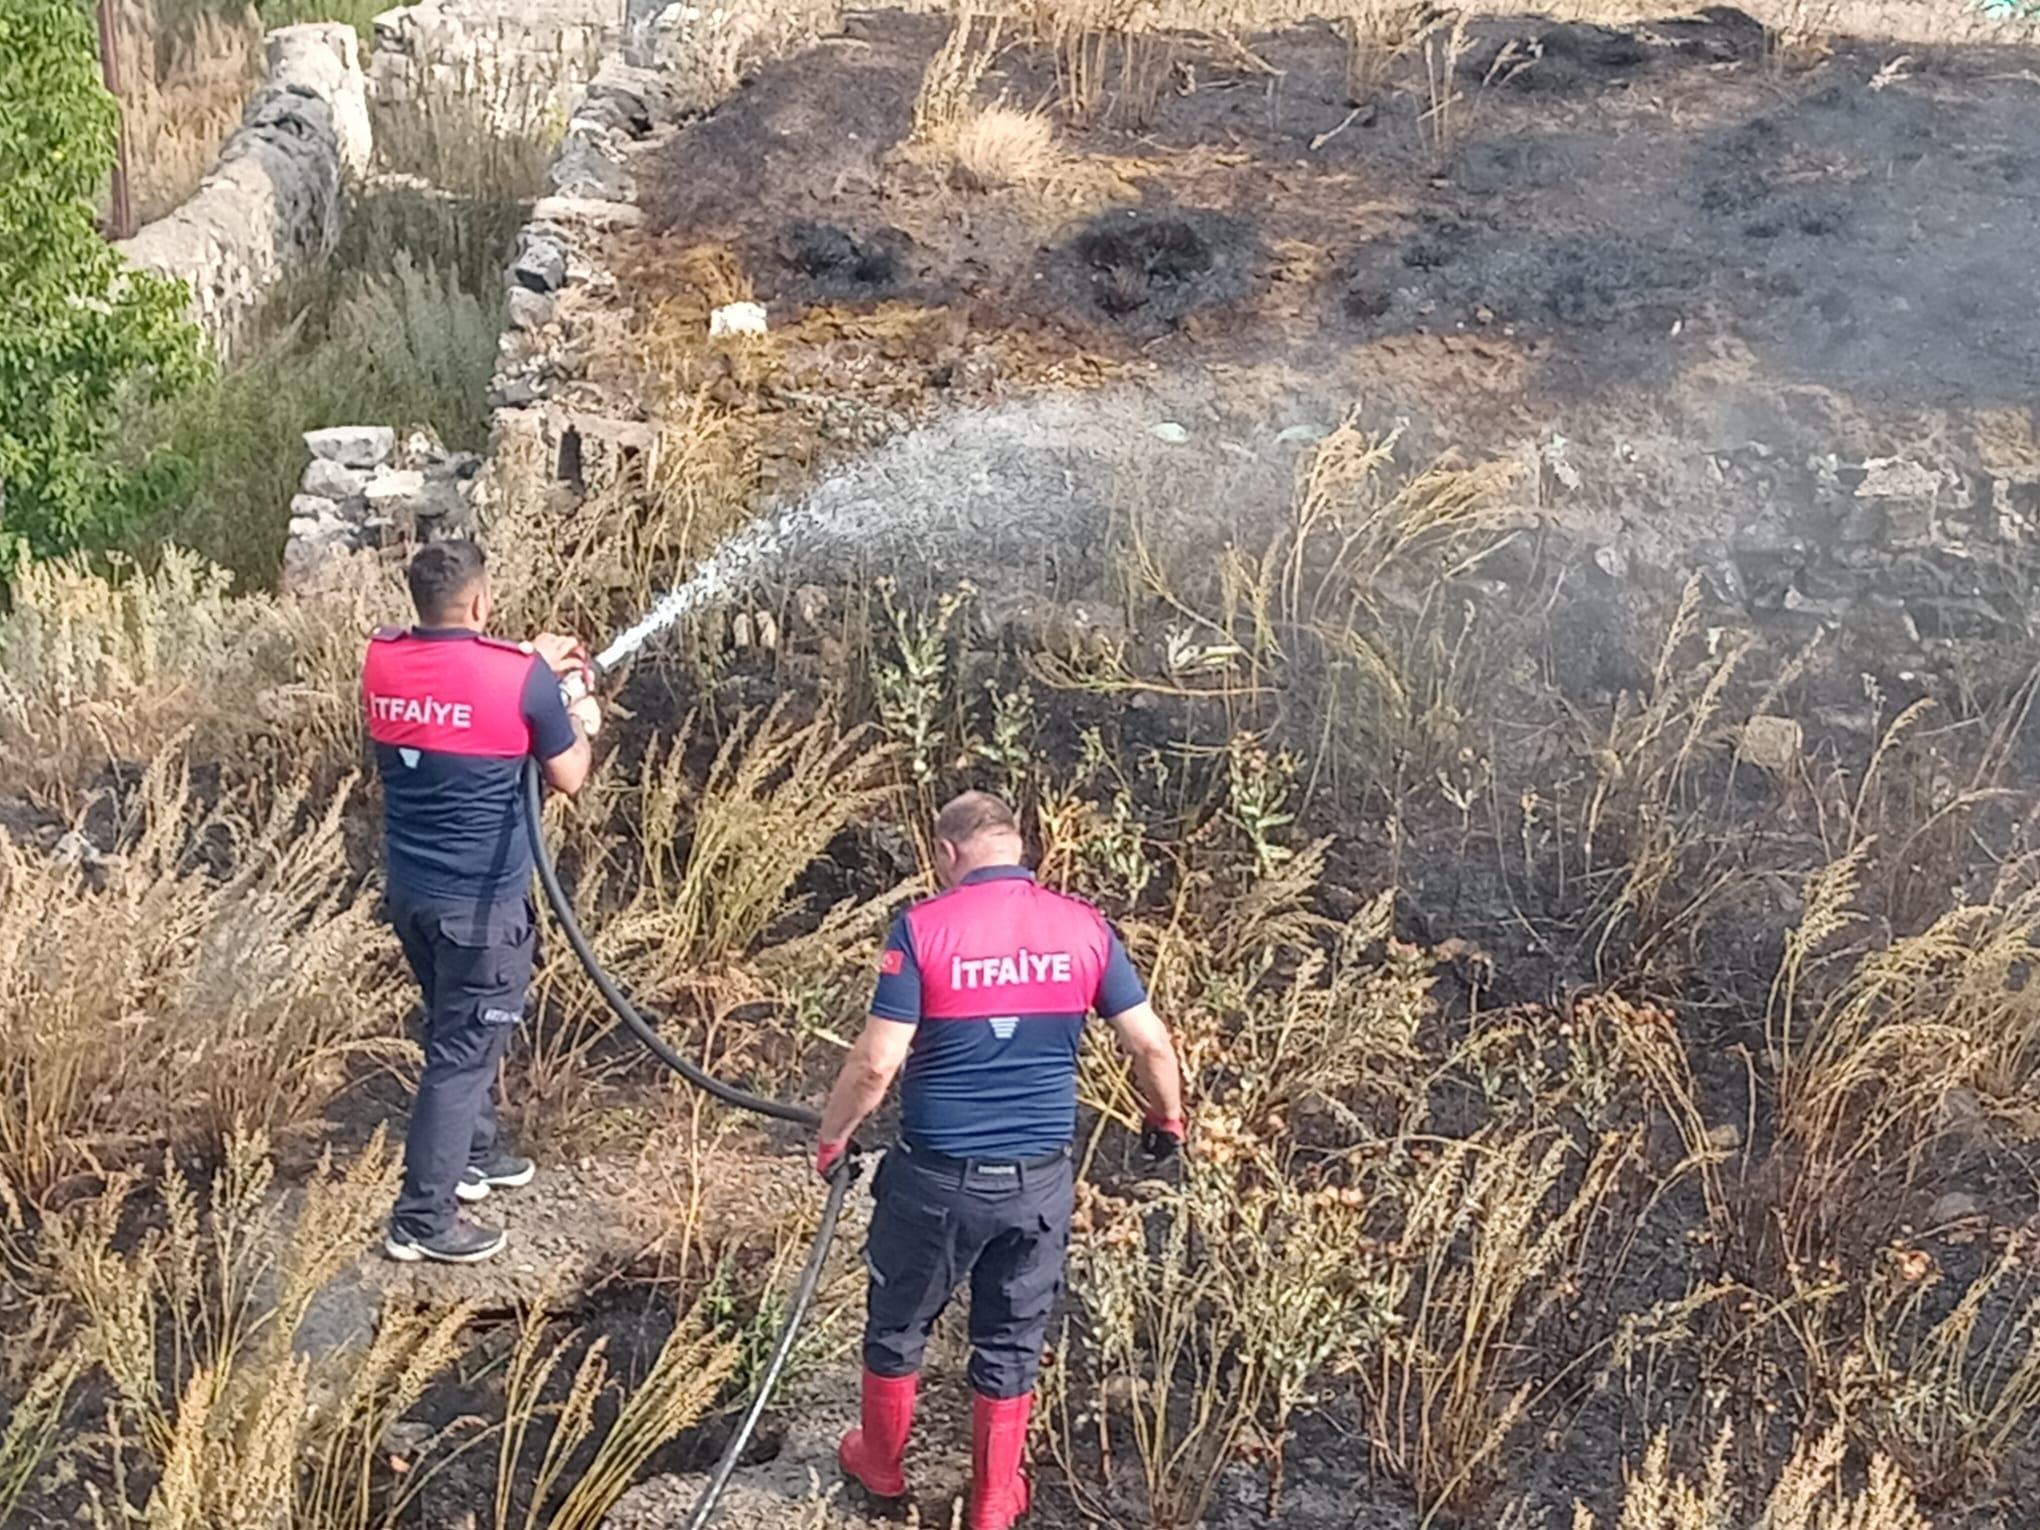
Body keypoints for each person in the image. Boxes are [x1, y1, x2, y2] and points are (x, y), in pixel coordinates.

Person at [815, 791, 1187, 1530]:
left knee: (897, 1326)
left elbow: (877, 1063)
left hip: (934, 1179)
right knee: (1012, 1339)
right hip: (1037, 1183)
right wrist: (1166, 1119)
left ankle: (881, 1465)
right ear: (1020, 850)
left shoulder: (921, 929)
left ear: (948, 853)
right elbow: (1151, 1043)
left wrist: (833, 1137)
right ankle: (992, 1500)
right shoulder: (1085, 929)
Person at [363, 540, 601, 1264]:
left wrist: (529, 663)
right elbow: (569, 776)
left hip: (413, 894)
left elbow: (460, 681)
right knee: (461, 1054)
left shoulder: (383, 660)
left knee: (453, 1026)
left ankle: (473, 1154)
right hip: (481, 910)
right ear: (481, 600)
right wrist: (576, 705)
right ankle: (423, 1219)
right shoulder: (522, 681)